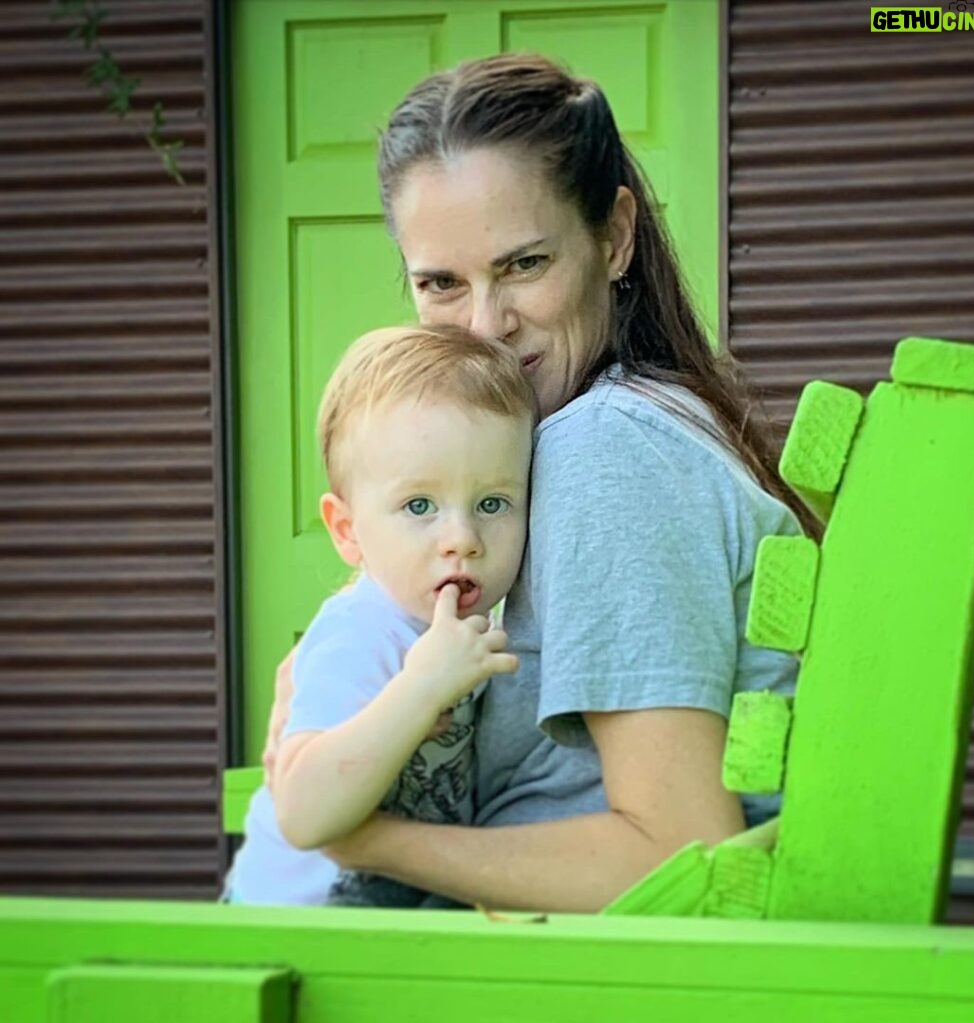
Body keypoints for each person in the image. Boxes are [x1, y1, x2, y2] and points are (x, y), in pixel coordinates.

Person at [262, 53, 816, 913]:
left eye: (523, 264)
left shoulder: (606, 451)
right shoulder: (589, 435)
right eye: (441, 283)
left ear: (615, 235)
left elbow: (680, 854)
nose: (485, 327)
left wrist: (361, 838)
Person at [226, 324, 535, 906]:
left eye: (493, 503)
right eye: (419, 505)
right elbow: (303, 815)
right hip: (292, 929)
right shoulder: (362, 634)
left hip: (386, 924)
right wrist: (421, 689)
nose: (462, 538)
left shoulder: (472, 634)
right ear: (347, 530)